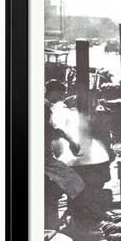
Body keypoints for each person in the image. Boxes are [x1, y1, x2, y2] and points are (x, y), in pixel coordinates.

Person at [44, 80, 85, 229]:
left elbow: (51, 130)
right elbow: (49, 131)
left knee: (67, 181)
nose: (61, 97)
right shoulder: (44, 107)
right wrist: (69, 140)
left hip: (45, 154)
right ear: (53, 92)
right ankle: (73, 218)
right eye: (60, 93)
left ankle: (58, 214)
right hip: (42, 157)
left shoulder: (44, 106)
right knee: (75, 182)